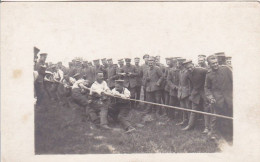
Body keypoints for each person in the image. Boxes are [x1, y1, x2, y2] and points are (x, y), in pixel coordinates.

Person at [205, 55, 233, 140]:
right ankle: (215, 134)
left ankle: (231, 134)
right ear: (209, 65)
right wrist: (210, 97)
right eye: (213, 64)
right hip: (217, 100)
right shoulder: (209, 74)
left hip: (229, 98)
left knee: (230, 116)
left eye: (216, 62)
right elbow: (207, 88)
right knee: (217, 117)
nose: (215, 65)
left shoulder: (226, 69)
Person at [181, 60, 209, 131]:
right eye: (188, 68)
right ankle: (190, 125)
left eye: (190, 67)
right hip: (196, 93)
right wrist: (191, 93)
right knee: (193, 110)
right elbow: (190, 84)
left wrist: (208, 89)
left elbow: (210, 77)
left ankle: (207, 128)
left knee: (206, 110)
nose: (190, 69)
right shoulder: (188, 73)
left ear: (193, 65)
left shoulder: (202, 70)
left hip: (204, 92)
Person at [176, 58, 191, 126]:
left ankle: (190, 122)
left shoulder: (187, 72)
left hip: (187, 93)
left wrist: (189, 92)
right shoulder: (180, 72)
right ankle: (184, 120)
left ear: (181, 64)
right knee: (183, 107)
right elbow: (180, 82)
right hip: (181, 93)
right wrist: (179, 89)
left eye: (178, 63)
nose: (177, 65)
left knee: (188, 108)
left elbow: (190, 83)